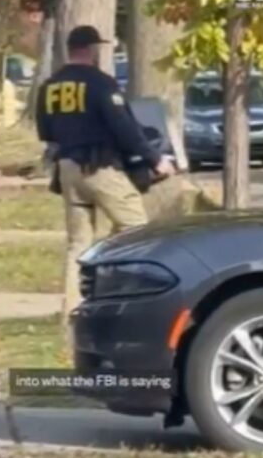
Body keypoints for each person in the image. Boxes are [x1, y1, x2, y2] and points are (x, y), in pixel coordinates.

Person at [36, 25, 176, 322]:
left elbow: (45, 131)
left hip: (68, 168)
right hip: (100, 167)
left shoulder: (50, 87)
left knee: (77, 242)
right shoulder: (101, 83)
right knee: (135, 228)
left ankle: (72, 314)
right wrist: (155, 160)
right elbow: (124, 128)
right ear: (91, 50)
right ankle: (119, 293)